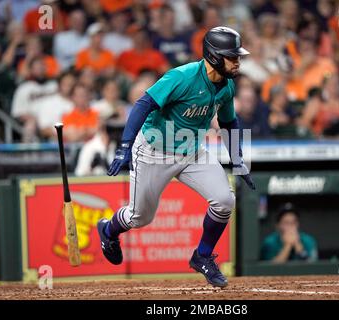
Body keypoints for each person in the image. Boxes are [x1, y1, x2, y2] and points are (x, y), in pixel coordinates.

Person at [97, 27, 255, 288]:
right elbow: (143, 104)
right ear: (214, 56)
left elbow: (229, 121)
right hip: (154, 150)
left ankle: (202, 256)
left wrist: (237, 159)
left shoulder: (227, 85)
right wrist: (124, 147)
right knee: (140, 217)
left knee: (225, 200)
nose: (238, 61)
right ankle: (108, 230)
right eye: (232, 56)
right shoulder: (182, 76)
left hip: (192, 151)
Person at [36, 71, 76, 140]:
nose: (70, 87)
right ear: (59, 85)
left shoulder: (82, 102)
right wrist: (64, 135)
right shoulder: (48, 102)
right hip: (56, 143)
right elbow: (44, 129)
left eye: (72, 84)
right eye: (66, 84)